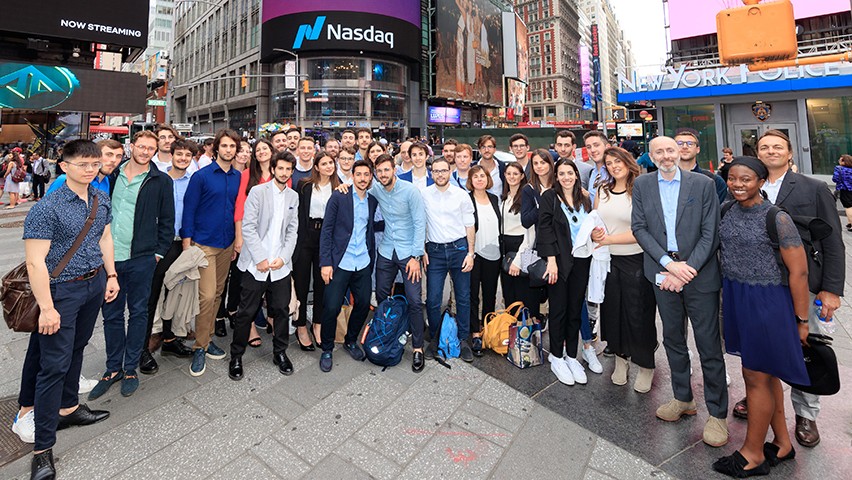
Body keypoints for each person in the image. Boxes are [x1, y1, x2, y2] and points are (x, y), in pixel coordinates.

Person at [14, 139, 118, 479]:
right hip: (61, 292)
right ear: (64, 166)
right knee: (53, 366)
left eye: (94, 163)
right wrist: (46, 307)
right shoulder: (48, 207)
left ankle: (69, 407)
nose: (90, 169)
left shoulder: (100, 198)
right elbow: (34, 261)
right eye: (82, 164)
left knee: (76, 349)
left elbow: (104, 237)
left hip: (93, 284)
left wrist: (111, 274)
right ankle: (43, 448)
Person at [745, 129, 845, 448]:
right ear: (757, 153)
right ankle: (758, 398)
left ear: (789, 153)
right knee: (760, 346)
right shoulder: (747, 187)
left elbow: (832, 241)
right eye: (764, 147)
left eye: (778, 147)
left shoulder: (814, 188)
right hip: (758, 285)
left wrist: (831, 289)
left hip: (802, 284)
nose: (771, 151)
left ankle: (806, 414)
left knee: (805, 349)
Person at [711, 156, 810, 477]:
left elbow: (799, 272)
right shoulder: (726, 209)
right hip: (738, 298)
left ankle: (752, 453)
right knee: (768, 376)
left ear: (762, 182)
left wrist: (802, 320)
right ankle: (782, 444)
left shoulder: (776, 218)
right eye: (733, 178)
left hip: (767, 303)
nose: (738, 185)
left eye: (746, 179)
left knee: (756, 378)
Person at [632, 136, 729, 448]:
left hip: (698, 275)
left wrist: (688, 268)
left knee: (708, 344)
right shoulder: (643, 185)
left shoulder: (703, 184)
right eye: (658, 151)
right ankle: (683, 398)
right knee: (673, 339)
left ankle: (717, 413)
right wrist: (668, 265)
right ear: (650, 155)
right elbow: (640, 228)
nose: (666, 155)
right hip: (663, 273)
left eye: (670, 149)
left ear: (681, 152)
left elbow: (710, 231)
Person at [88, 131, 174, 399]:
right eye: (142, 146)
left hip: (142, 258)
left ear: (156, 150)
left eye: (151, 148)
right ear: (132, 146)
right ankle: (112, 367)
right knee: (112, 314)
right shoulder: (111, 176)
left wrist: (158, 253)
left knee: (138, 313)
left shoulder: (161, 180)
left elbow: (168, 220)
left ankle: (130, 368)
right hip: (110, 258)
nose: (146, 151)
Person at [339, 154, 426, 371]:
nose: (383, 174)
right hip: (386, 251)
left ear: (394, 170)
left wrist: (416, 257)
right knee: (380, 296)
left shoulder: (410, 191)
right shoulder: (375, 189)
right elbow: (357, 186)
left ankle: (417, 348)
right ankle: (382, 334)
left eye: (387, 170)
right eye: (379, 172)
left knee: (415, 300)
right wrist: (343, 187)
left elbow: (420, 223)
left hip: (408, 253)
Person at [229, 151, 300, 380]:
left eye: (288, 169)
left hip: (280, 264)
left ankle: (280, 352)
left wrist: (284, 257)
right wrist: (259, 258)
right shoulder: (258, 192)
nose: (284, 172)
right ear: (273, 168)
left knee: (280, 310)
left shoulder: (293, 197)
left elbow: (292, 231)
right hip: (255, 264)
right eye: (280, 168)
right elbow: (248, 227)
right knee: (246, 311)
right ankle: (236, 355)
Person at [592, 147, 656, 392]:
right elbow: (595, 221)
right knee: (612, 313)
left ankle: (645, 364)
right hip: (608, 262)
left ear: (628, 162)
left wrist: (608, 240)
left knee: (638, 315)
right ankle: (620, 360)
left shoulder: (641, 190)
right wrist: (596, 234)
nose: (613, 166)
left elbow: (644, 231)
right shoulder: (602, 190)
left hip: (636, 261)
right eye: (608, 163)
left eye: (617, 161)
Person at [181, 129, 242, 377]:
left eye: (232, 146)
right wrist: (187, 244)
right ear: (216, 148)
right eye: (224, 146)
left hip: (227, 243)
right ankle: (199, 346)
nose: (228, 150)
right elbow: (189, 209)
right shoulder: (201, 176)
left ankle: (206, 337)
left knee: (218, 293)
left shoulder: (239, 177)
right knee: (206, 296)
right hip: (203, 243)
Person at [140, 139, 198, 375]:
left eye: (187, 155)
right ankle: (141, 348)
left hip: (180, 243)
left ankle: (169, 339)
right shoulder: (157, 178)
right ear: (171, 155)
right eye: (179, 154)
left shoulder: (193, 182)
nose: (183, 158)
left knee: (174, 295)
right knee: (150, 297)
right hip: (157, 245)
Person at [318, 160, 379, 372]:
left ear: (371, 177)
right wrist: (326, 262)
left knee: (363, 304)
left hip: (362, 261)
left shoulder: (372, 201)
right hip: (340, 262)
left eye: (366, 174)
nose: (363, 178)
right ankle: (326, 348)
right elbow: (326, 231)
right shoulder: (339, 196)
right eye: (359, 174)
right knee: (332, 306)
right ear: (352, 176)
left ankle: (351, 340)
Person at [538, 159, 593, 385]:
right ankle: (556, 356)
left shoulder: (584, 198)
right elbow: (545, 229)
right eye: (562, 174)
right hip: (559, 262)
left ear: (576, 175)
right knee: (559, 309)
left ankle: (572, 355)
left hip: (582, 260)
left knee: (574, 308)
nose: (566, 177)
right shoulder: (549, 197)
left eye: (570, 173)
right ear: (556, 176)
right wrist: (551, 261)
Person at [422, 157, 476, 362]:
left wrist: (471, 253)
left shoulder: (461, 195)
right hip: (434, 251)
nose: (440, 175)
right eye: (436, 171)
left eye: (443, 171)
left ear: (449, 172)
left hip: (459, 249)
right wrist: (422, 249)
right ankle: (435, 339)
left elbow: (470, 225)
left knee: (463, 297)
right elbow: (420, 222)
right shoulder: (424, 195)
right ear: (431, 173)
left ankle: (463, 340)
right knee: (433, 299)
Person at [294, 151, 340, 349]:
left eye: (331, 162)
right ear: (316, 167)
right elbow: (296, 213)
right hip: (306, 237)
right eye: (324, 163)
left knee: (323, 284)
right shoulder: (304, 185)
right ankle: (301, 325)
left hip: (326, 239)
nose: (329, 166)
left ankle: (318, 323)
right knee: (302, 284)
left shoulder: (339, 188)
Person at [467, 165, 501, 357]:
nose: (479, 179)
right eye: (475, 176)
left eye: (482, 176)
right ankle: (475, 332)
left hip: (493, 253)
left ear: (487, 179)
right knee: (473, 294)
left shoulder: (495, 199)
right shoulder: (467, 199)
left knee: (490, 294)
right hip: (474, 254)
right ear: (470, 181)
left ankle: (488, 329)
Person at [519, 149, 554, 321]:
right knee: (535, 290)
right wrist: (541, 205)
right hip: (536, 247)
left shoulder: (559, 184)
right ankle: (535, 325)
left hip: (559, 245)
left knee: (556, 292)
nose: (540, 166)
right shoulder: (529, 189)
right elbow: (525, 220)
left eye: (543, 162)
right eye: (536, 163)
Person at [500, 162, 531, 310]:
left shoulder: (526, 197)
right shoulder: (504, 197)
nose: (512, 177)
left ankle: (524, 329)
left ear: (522, 176)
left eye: (515, 174)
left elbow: (529, 232)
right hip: (505, 246)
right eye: (509, 173)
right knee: (508, 292)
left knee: (522, 291)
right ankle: (510, 326)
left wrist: (519, 259)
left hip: (522, 245)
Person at [46, 139, 123, 196]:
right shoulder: (66, 180)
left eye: (119, 156)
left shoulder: (107, 181)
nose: (114, 160)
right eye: (109, 154)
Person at [675, 128, 728, 203]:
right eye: (679, 143)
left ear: (698, 149)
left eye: (690, 143)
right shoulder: (663, 179)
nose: (684, 147)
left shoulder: (714, 181)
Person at [583, 131, 610, 205]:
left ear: (607, 147)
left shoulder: (614, 172)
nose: (593, 150)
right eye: (588, 147)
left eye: (596, 145)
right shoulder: (592, 172)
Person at [832, 154, 852, 232]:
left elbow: (835, 179)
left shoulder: (839, 169)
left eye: (840, 160)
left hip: (845, 189)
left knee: (848, 206)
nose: (839, 162)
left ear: (844, 161)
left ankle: (851, 223)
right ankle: (849, 222)